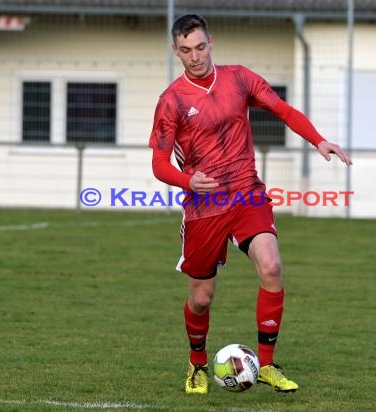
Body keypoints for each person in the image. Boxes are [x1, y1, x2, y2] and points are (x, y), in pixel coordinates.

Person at [149, 14, 352, 395]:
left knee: (272, 267)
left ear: (212, 42)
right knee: (201, 298)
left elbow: (283, 110)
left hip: (246, 193)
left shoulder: (240, 78)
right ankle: (197, 366)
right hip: (204, 208)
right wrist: (187, 180)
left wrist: (318, 140)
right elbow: (159, 163)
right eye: (186, 50)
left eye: (201, 47)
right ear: (175, 51)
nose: (195, 56)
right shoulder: (171, 101)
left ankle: (267, 365)